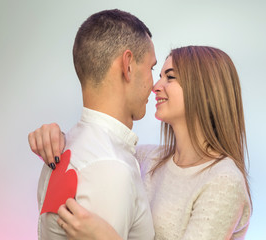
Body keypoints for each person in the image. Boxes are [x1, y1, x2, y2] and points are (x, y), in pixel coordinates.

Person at [29, 46, 252, 239]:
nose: (155, 86)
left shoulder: (224, 181)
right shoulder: (147, 158)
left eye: (170, 77)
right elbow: (97, 150)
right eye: (159, 74)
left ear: (205, 90)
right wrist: (57, 137)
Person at [32, 9, 157, 240]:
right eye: (152, 68)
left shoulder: (67, 146)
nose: (154, 83)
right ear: (128, 65)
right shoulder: (111, 167)